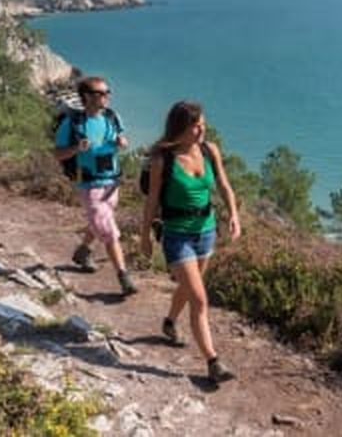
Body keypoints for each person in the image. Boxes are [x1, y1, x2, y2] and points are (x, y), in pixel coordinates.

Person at [140, 101, 241, 384]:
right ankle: (213, 362)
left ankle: (169, 322)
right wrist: (145, 236)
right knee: (199, 298)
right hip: (177, 235)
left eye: (203, 124)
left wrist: (233, 214)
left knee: (187, 290)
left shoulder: (210, 150)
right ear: (180, 128)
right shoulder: (164, 160)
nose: (202, 129)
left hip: (207, 231)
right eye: (195, 125)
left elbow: (223, 185)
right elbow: (151, 202)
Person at [54, 76, 137, 296]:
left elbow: (121, 139)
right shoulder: (72, 124)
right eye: (101, 93)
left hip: (112, 181)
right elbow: (58, 153)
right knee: (108, 230)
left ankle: (83, 251)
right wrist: (76, 149)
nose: (107, 97)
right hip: (89, 184)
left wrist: (122, 142)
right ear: (87, 97)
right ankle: (123, 276)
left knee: (101, 221)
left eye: (107, 92)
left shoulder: (112, 117)